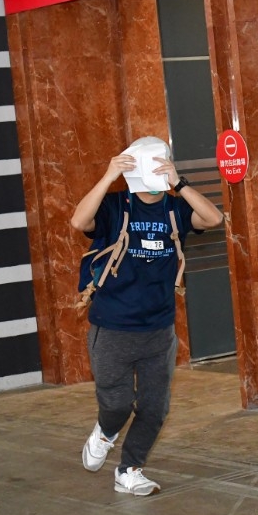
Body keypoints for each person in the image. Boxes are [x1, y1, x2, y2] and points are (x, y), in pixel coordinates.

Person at [72, 136, 223, 496]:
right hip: (112, 327)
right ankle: (105, 431)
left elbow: (213, 218)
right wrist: (108, 177)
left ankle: (129, 470)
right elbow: (79, 221)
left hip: (158, 328)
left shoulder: (175, 209)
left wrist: (179, 183)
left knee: (155, 407)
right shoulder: (115, 206)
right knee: (117, 404)